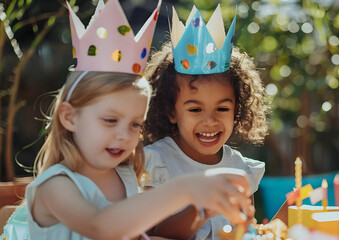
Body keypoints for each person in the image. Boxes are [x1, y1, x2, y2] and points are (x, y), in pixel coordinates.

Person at [22, 0, 255, 240]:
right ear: (69, 117)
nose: (124, 135)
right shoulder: (55, 186)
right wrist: (188, 188)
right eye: (110, 120)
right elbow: (101, 228)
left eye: (135, 124)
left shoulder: (126, 178)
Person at [141, 5, 270, 240]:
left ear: (237, 111)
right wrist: (202, 207)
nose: (210, 121)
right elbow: (151, 234)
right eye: (195, 109)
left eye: (222, 108)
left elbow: (245, 231)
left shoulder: (240, 168)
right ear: (171, 111)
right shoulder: (156, 164)